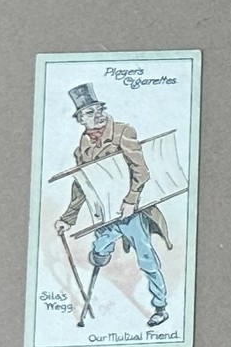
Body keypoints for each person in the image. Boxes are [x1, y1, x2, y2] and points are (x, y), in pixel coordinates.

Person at [54, 84, 170, 328]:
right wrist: (68, 218)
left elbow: (141, 170)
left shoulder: (122, 132)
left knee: (147, 258)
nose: (96, 115)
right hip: (106, 216)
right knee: (98, 251)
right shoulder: (82, 148)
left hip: (131, 214)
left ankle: (160, 308)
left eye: (98, 109)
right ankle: (100, 258)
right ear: (80, 119)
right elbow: (82, 184)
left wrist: (131, 200)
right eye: (89, 112)